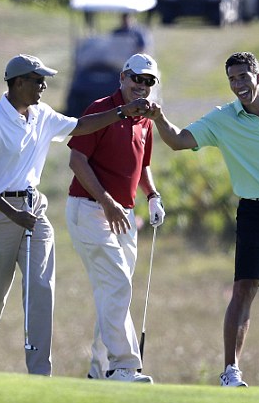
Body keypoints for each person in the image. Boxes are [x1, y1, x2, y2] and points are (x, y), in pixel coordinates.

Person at [145, 51, 259, 391]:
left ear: (258, 77)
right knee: (243, 288)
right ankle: (231, 370)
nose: (238, 85)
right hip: (254, 212)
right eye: (232, 79)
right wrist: (158, 118)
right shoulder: (222, 119)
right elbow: (178, 141)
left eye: (243, 77)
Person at [0, 54, 151, 375]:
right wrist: (11, 214)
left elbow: (81, 126)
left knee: (41, 289)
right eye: (37, 80)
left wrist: (121, 112)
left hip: (34, 209)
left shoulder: (42, 114)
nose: (43, 86)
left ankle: (40, 374)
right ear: (18, 83)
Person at [65, 53, 165, 383]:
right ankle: (123, 366)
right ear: (123, 77)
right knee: (118, 284)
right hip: (89, 209)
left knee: (112, 293)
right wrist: (106, 201)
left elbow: (142, 166)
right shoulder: (100, 110)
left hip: (123, 214)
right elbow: (77, 160)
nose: (142, 86)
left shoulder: (146, 119)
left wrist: (151, 195)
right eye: (137, 79)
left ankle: (98, 370)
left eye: (149, 82)